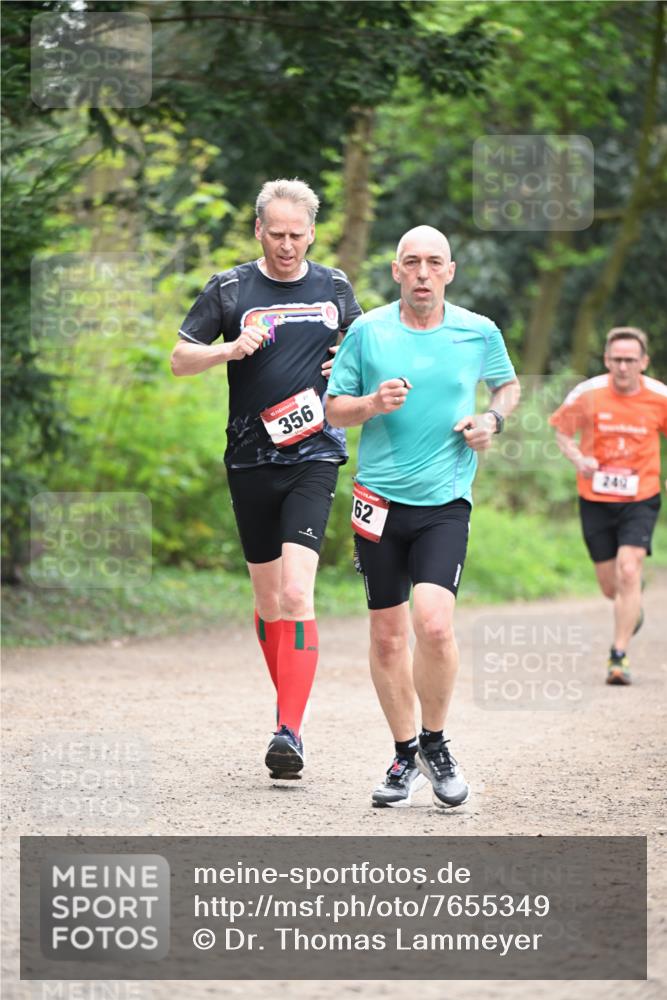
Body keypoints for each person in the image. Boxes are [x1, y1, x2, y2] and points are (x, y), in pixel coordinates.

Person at [171, 178, 361, 779]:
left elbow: (365, 344)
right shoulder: (229, 288)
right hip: (250, 458)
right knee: (267, 599)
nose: (286, 245)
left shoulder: (334, 286)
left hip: (314, 453)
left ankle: (289, 730)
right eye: (276, 234)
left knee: (297, 593)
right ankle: (290, 709)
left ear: (312, 233)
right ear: (258, 230)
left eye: (297, 235)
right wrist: (228, 351)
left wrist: (349, 362)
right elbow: (180, 359)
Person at [326, 226, 520, 809]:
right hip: (378, 500)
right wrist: (370, 405)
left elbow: (507, 388)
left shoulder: (478, 331)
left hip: (444, 501)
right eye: (411, 262)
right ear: (395, 271)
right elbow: (334, 409)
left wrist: (492, 421)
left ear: (450, 271)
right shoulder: (367, 331)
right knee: (388, 637)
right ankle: (403, 752)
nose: (422, 273)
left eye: (434, 262)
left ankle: (435, 744)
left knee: (433, 625)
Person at [550, 327, 667, 685]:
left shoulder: (660, 397)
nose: (623, 367)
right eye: (616, 359)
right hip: (596, 498)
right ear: (606, 360)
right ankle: (631, 608)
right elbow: (562, 433)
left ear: (644, 362)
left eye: (630, 360)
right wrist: (577, 458)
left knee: (629, 570)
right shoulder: (588, 394)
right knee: (609, 584)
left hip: (641, 496)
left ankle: (618, 656)